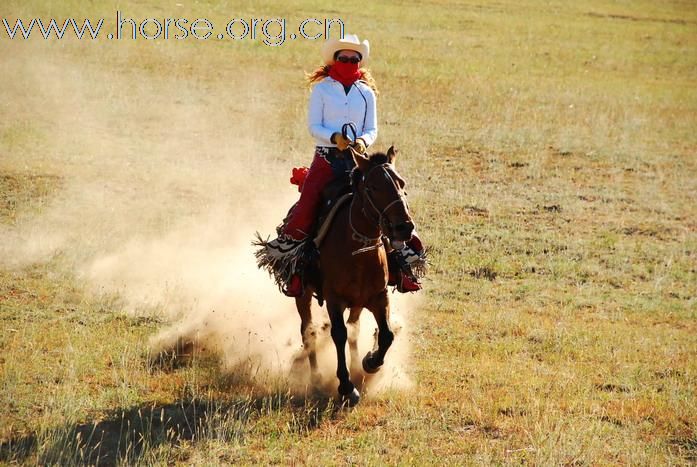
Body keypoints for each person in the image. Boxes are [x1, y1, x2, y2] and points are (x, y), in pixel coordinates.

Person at [265, 34, 424, 296]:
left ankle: (402, 266)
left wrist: (362, 140)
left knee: (392, 201)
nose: (349, 62)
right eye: (344, 58)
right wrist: (334, 137)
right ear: (334, 60)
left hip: (359, 160)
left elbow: (372, 128)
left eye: (354, 58)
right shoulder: (322, 89)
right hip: (328, 159)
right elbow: (313, 126)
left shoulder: (366, 93)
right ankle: (295, 270)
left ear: (360, 61)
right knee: (306, 209)